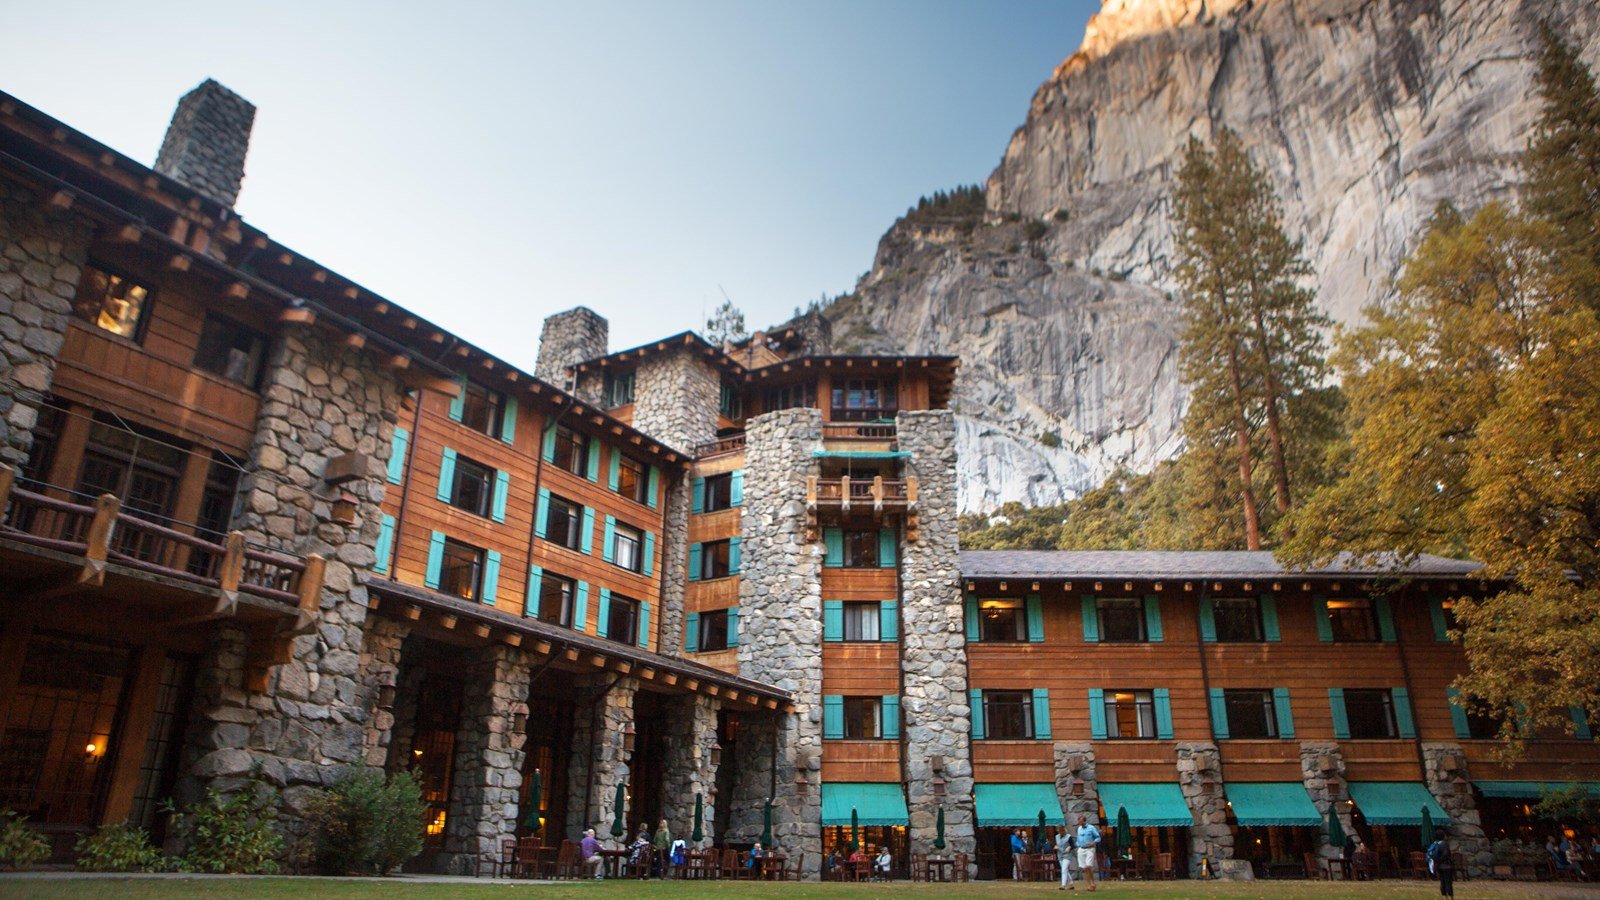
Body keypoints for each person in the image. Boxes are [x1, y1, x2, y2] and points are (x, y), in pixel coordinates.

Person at [1075, 816, 1101, 893]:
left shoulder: (1091, 828)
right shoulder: (1079, 829)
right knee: (1084, 868)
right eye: (1079, 821)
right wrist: (1078, 844)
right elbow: (1077, 839)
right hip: (1081, 849)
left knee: (1088, 866)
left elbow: (1098, 838)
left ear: (1084, 821)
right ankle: (1089, 884)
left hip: (1090, 849)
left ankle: (1092, 882)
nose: (1080, 823)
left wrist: (1092, 843)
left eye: (1081, 821)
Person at [1427, 828, 1454, 898]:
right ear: (1443, 836)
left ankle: (1444, 897)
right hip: (1447, 866)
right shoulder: (1445, 844)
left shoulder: (1435, 844)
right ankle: (1450, 896)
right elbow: (1446, 854)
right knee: (1448, 882)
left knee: (1442, 882)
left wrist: (1437, 862)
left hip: (1439, 866)